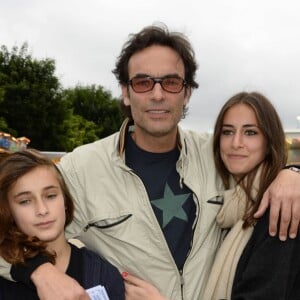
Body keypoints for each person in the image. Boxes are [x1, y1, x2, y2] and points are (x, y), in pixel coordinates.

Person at [1, 24, 300, 300]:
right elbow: (11, 223)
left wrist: (292, 172)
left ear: (187, 93)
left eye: (170, 82)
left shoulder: (218, 154)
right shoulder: (82, 170)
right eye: (143, 83)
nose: (157, 94)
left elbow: (264, 169)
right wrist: (39, 271)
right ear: (126, 92)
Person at [123, 91, 300, 300]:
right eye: (227, 132)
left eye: (250, 132)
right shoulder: (234, 203)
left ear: (269, 141)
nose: (236, 143)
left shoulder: (279, 207)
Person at [0, 149, 125, 299]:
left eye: (51, 196)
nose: (42, 210)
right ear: (8, 211)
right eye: (25, 201)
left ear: (65, 201)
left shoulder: (102, 274)